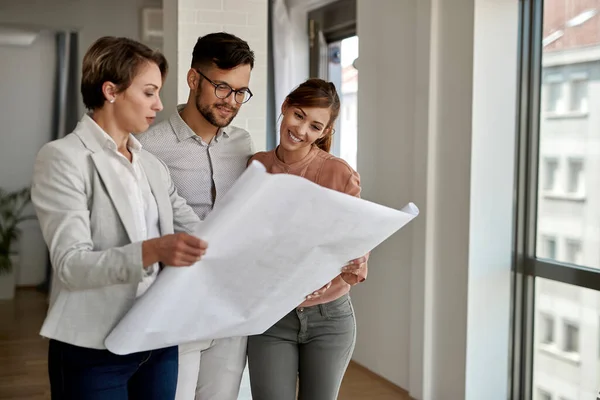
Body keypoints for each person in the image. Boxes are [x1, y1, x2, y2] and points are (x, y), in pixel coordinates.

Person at [30, 36, 208, 400]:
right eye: (148, 92)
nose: (159, 104)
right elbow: (71, 265)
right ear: (110, 90)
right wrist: (153, 251)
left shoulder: (152, 166)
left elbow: (201, 233)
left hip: (157, 340)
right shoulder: (63, 158)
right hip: (93, 349)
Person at [136, 32, 255, 400]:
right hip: (177, 304)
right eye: (222, 87)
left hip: (230, 303)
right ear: (193, 79)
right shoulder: (148, 147)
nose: (231, 101)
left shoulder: (243, 144)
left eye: (240, 92)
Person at [246, 78, 368, 400]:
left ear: (325, 133)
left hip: (330, 319)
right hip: (271, 315)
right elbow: (246, 239)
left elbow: (355, 245)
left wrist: (346, 264)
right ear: (285, 106)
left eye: (315, 126)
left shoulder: (340, 173)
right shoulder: (256, 166)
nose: (301, 130)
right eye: (298, 116)